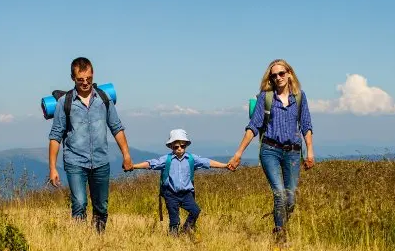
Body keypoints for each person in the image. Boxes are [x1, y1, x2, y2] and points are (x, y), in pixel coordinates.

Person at [227, 59, 315, 241]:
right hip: (270, 150)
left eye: (281, 73)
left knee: (290, 199)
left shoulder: (299, 97)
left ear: (289, 73)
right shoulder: (265, 98)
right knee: (280, 195)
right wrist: (238, 153)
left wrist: (310, 152)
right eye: (274, 75)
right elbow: (254, 126)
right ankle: (280, 236)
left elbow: (306, 125)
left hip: (293, 152)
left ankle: (281, 223)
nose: (278, 77)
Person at [48, 57, 134, 233]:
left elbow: (116, 127)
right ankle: (81, 243)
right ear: (73, 78)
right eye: (81, 79)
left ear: (93, 75)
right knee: (79, 203)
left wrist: (126, 155)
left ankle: (97, 240)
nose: (85, 83)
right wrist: (52, 168)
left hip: (101, 161)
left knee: (101, 206)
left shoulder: (104, 98)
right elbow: (55, 136)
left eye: (89, 78)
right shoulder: (64, 102)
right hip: (75, 162)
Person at [131, 129, 231, 236]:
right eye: (176, 147)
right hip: (170, 194)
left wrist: (225, 166)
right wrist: (133, 166)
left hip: (186, 194)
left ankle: (186, 229)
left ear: (186, 145)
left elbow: (208, 162)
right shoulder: (166, 159)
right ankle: (173, 239)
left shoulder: (191, 159)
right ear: (171, 146)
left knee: (195, 211)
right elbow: (151, 164)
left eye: (182, 146)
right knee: (174, 220)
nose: (180, 149)